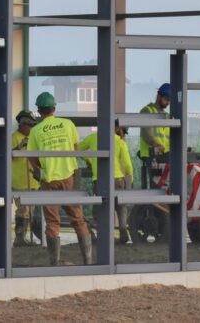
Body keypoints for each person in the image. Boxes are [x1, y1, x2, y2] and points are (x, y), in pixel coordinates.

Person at [26, 91, 93, 266]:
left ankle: (54, 263)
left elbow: (31, 156)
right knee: (78, 218)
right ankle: (87, 260)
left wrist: (39, 170)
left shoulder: (35, 130)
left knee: (52, 222)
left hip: (49, 180)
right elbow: (75, 148)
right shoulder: (68, 124)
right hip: (69, 177)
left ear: (39, 110)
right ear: (54, 108)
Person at [78, 123, 135, 244]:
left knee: (100, 208)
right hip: (118, 180)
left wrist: (89, 159)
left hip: (100, 179)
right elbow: (128, 165)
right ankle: (123, 232)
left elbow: (77, 149)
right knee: (121, 208)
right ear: (117, 128)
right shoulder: (120, 142)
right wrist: (130, 179)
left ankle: (104, 236)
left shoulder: (93, 137)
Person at [11, 109, 41, 247]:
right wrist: (19, 146)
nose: (31, 128)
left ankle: (24, 237)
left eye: (33, 125)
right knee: (23, 210)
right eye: (29, 125)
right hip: (20, 182)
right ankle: (19, 238)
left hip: (33, 181)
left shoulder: (35, 138)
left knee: (30, 210)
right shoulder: (13, 137)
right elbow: (8, 155)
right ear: (22, 124)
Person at [138, 83, 171, 188]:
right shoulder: (147, 111)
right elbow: (145, 132)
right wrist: (155, 144)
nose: (168, 103)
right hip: (153, 155)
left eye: (169, 100)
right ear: (158, 96)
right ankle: (155, 204)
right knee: (156, 185)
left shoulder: (167, 115)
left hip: (166, 155)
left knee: (167, 186)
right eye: (166, 99)